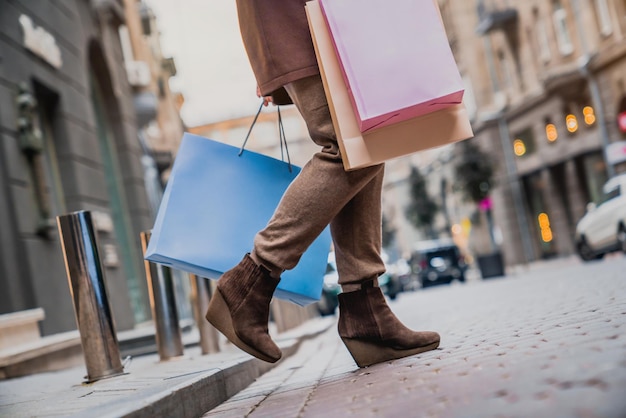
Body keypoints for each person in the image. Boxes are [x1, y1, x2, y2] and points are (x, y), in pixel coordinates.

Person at [205, 0, 440, 368]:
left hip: (319, 19)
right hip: (303, 19)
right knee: (348, 144)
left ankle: (365, 307)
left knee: (368, 140)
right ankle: (250, 281)